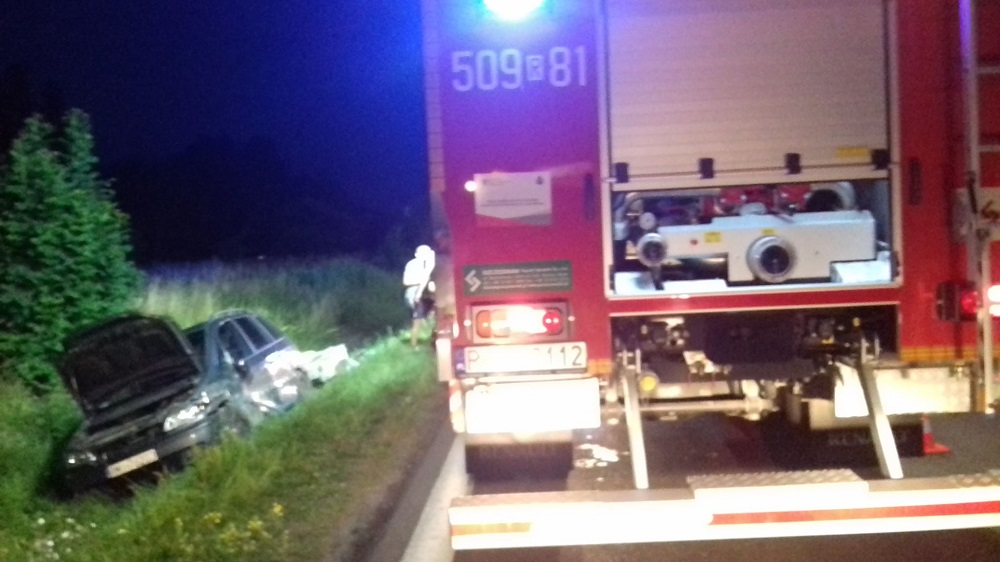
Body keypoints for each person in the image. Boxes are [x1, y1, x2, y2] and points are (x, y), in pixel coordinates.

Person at [403, 245, 435, 347]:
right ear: (416, 255)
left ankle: (433, 339)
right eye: (423, 253)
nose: (425, 255)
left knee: (435, 314)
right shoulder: (412, 265)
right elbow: (406, 281)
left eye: (427, 252)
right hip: (414, 293)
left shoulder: (429, 265)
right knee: (417, 319)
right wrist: (422, 281)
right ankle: (414, 344)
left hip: (428, 293)